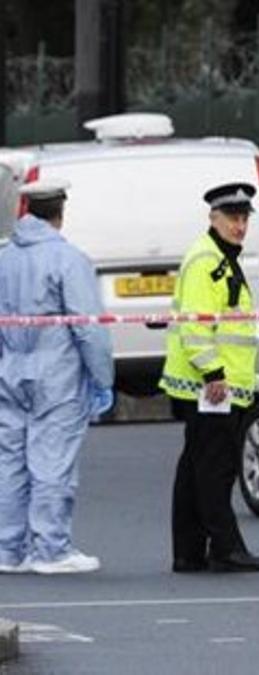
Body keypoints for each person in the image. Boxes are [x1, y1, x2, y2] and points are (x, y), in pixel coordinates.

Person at [0, 179, 114, 575]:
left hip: (8, 368)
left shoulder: (4, 258)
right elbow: (87, 328)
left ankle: (8, 549)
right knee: (52, 460)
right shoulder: (68, 259)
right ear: (60, 214)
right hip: (56, 372)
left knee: (9, 460)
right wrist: (103, 378)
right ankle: (51, 550)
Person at [159, 182, 259, 574]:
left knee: (195, 466)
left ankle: (188, 551)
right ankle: (225, 547)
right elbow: (195, 326)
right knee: (215, 469)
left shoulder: (219, 255)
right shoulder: (208, 260)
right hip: (211, 384)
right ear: (214, 218)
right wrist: (214, 373)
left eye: (244, 218)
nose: (240, 226)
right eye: (232, 218)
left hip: (212, 383)